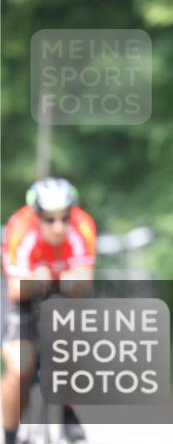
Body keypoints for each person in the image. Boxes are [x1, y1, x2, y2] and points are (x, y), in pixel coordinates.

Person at [2, 178, 96, 444]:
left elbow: (84, 285)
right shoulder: (21, 228)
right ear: (36, 216)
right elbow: (15, 290)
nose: (58, 227)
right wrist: (38, 280)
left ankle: (68, 411)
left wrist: (67, 282)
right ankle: (9, 435)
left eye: (64, 218)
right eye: (50, 219)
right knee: (20, 368)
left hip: (61, 293)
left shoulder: (82, 227)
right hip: (23, 294)